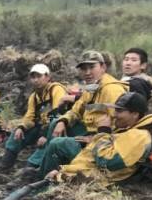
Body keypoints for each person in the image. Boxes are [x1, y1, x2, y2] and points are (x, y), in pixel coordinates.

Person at [28, 50, 127, 179]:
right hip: (83, 130)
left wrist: (96, 139)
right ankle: (40, 166)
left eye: (92, 67)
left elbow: (120, 125)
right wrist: (63, 121)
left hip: (101, 140)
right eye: (83, 69)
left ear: (103, 67)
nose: (87, 72)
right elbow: (75, 110)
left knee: (56, 142)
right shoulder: (91, 87)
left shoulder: (111, 89)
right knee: (55, 123)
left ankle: (45, 178)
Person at [46, 92, 152, 183]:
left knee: (55, 158)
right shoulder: (132, 129)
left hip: (92, 176)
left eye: (119, 111)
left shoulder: (139, 136)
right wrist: (92, 140)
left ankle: (41, 185)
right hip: (89, 167)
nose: (114, 114)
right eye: (115, 109)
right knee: (58, 146)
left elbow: (106, 162)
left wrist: (103, 131)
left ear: (135, 114)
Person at [0, 63, 67, 171]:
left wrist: (45, 135)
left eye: (39, 76)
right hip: (42, 127)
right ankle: (5, 166)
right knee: (17, 133)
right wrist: (21, 127)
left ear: (47, 77)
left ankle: (30, 170)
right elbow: (30, 117)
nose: (35, 80)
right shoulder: (34, 97)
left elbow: (58, 112)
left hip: (59, 127)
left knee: (48, 141)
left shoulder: (56, 89)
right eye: (33, 77)